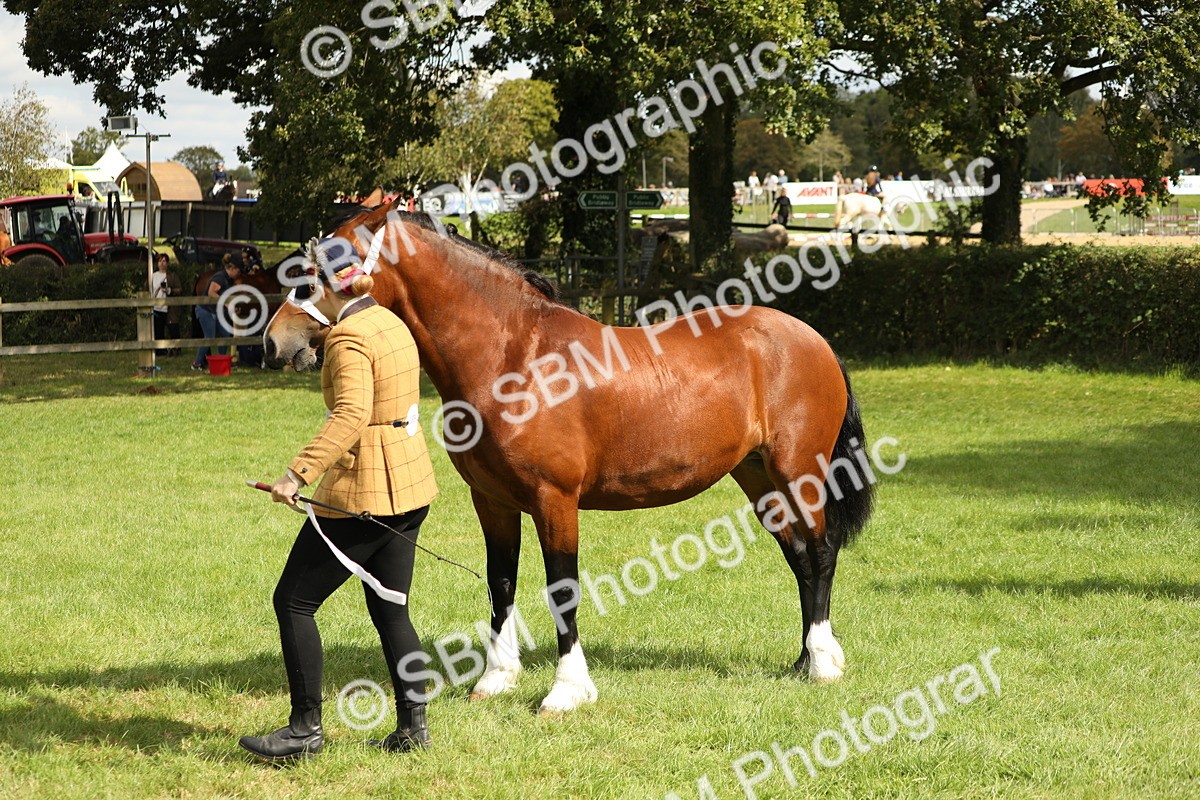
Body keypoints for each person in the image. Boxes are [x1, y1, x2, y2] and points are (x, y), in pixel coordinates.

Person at [239, 263, 439, 762]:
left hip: (366, 491)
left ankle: (305, 729)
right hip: (411, 483)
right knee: (390, 605)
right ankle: (413, 728)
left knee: (293, 601)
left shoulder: (348, 337)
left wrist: (296, 474)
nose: (307, 299)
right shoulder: (390, 321)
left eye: (309, 289)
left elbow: (349, 414)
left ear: (328, 289)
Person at [192, 254, 240, 370]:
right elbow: (211, 292)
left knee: (225, 335)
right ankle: (197, 363)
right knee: (209, 337)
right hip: (206, 310)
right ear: (232, 269)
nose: (239, 273)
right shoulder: (220, 277)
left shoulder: (228, 279)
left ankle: (222, 361)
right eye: (238, 270)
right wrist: (226, 304)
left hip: (217, 311)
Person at [150, 253, 183, 356]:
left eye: (164, 261)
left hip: (169, 308)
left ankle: (176, 349)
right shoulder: (153, 276)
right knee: (158, 331)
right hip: (156, 308)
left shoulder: (172, 276)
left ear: (167, 263)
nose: (162, 263)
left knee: (174, 328)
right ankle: (160, 350)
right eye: (160, 261)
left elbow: (179, 290)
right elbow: (148, 289)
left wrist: (169, 290)